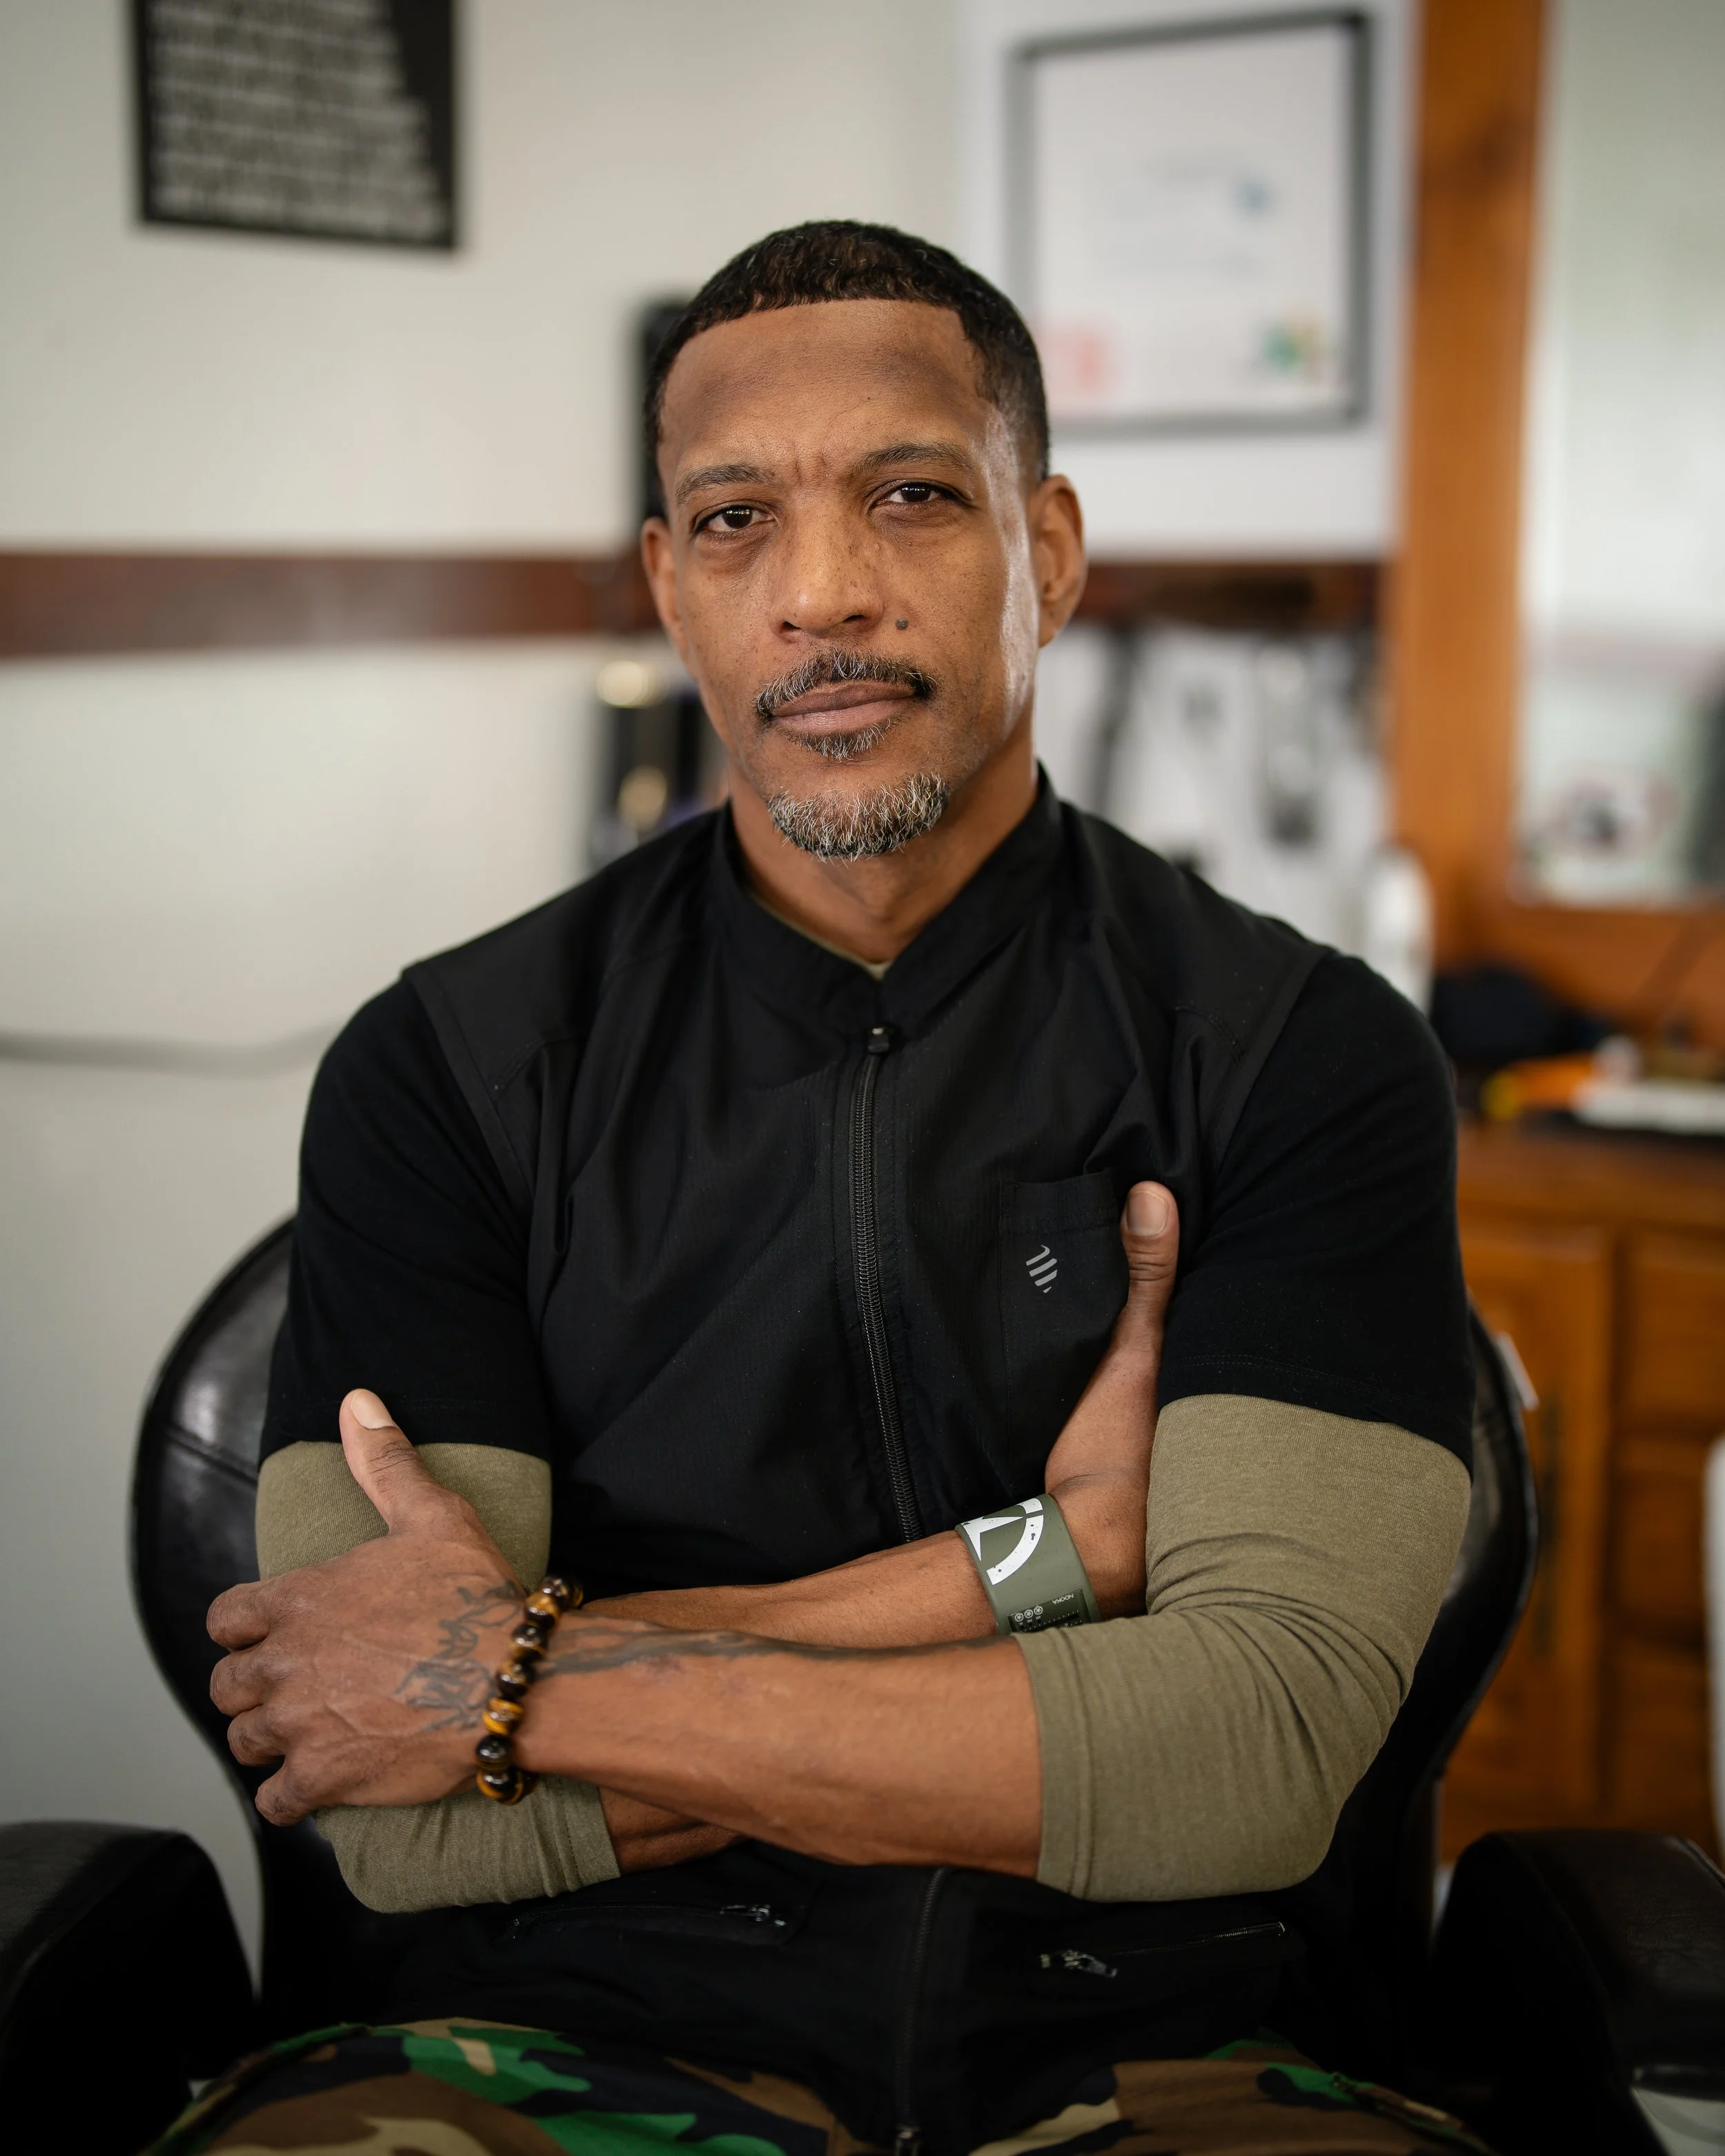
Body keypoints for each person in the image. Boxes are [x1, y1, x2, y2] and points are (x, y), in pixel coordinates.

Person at [189, 224, 1486, 2156]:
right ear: (666, 583)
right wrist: (1027, 1577)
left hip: (1158, 2040)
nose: (818, 592)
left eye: (906, 496)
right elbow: (375, 1791)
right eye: (731, 521)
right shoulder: (442, 1072)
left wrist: (509, 1673)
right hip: (556, 2042)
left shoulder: (1300, 1054)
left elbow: (1252, 1749)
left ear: (1042, 549)